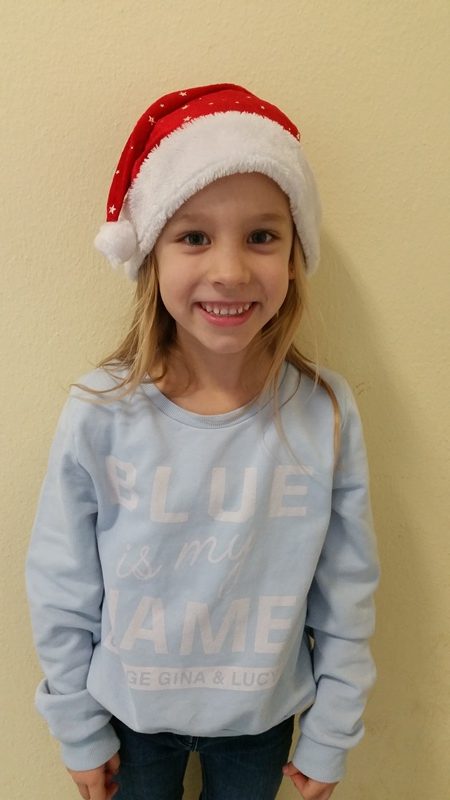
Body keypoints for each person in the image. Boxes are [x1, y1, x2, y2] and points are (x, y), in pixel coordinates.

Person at [26, 83, 380, 800]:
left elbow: (346, 591)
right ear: (151, 254)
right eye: (193, 236)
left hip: (261, 723)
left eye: (262, 236)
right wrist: (76, 725)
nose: (229, 271)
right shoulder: (101, 412)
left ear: (295, 253)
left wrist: (333, 730)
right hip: (127, 719)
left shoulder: (324, 412)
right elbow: (62, 583)